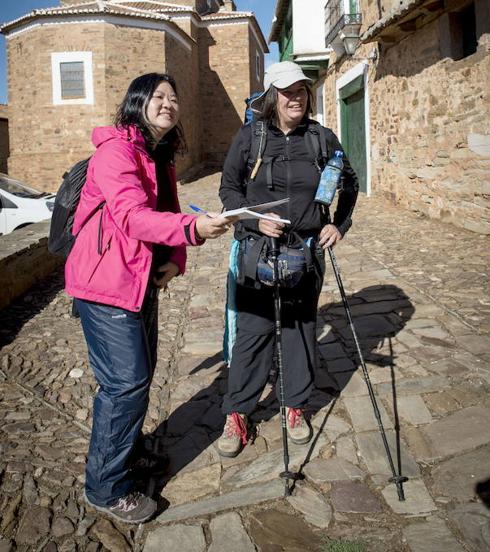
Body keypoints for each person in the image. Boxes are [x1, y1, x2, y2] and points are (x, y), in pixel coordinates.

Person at [64, 73, 231, 523]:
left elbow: (170, 212)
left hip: (139, 281)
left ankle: (128, 453)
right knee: (124, 386)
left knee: (138, 379)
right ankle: (105, 487)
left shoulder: (159, 156)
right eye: (157, 96)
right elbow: (133, 218)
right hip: (105, 286)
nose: (168, 103)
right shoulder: (115, 152)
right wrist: (195, 231)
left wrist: (176, 257)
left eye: (174, 98)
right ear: (137, 102)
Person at [218, 61, 359, 458]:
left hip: (306, 252)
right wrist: (253, 219)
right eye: (286, 91)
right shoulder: (250, 138)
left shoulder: (321, 137)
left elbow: (350, 182)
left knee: (299, 329)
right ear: (272, 97)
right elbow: (228, 189)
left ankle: (295, 406)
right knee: (253, 332)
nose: (294, 97)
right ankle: (239, 412)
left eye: (300, 89)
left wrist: (340, 225)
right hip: (257, 251)